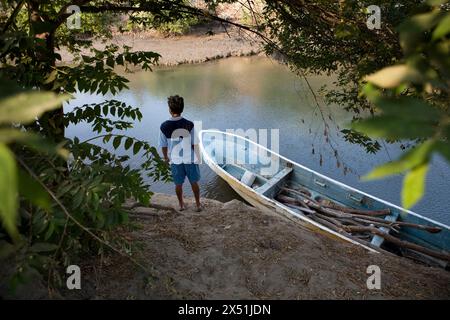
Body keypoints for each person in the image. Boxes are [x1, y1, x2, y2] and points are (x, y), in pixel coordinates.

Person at [159, 95, 202, 211]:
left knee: (178, 184)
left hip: (175, 159)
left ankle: (181, 205)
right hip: (190, 158)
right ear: (182, 109)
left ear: (169, 109)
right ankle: (198, 204)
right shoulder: (189, 124)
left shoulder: (164, 126)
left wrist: (165, 158)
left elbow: (163, 145)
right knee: (194, 182)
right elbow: (195, 143)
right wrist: (198, 156)